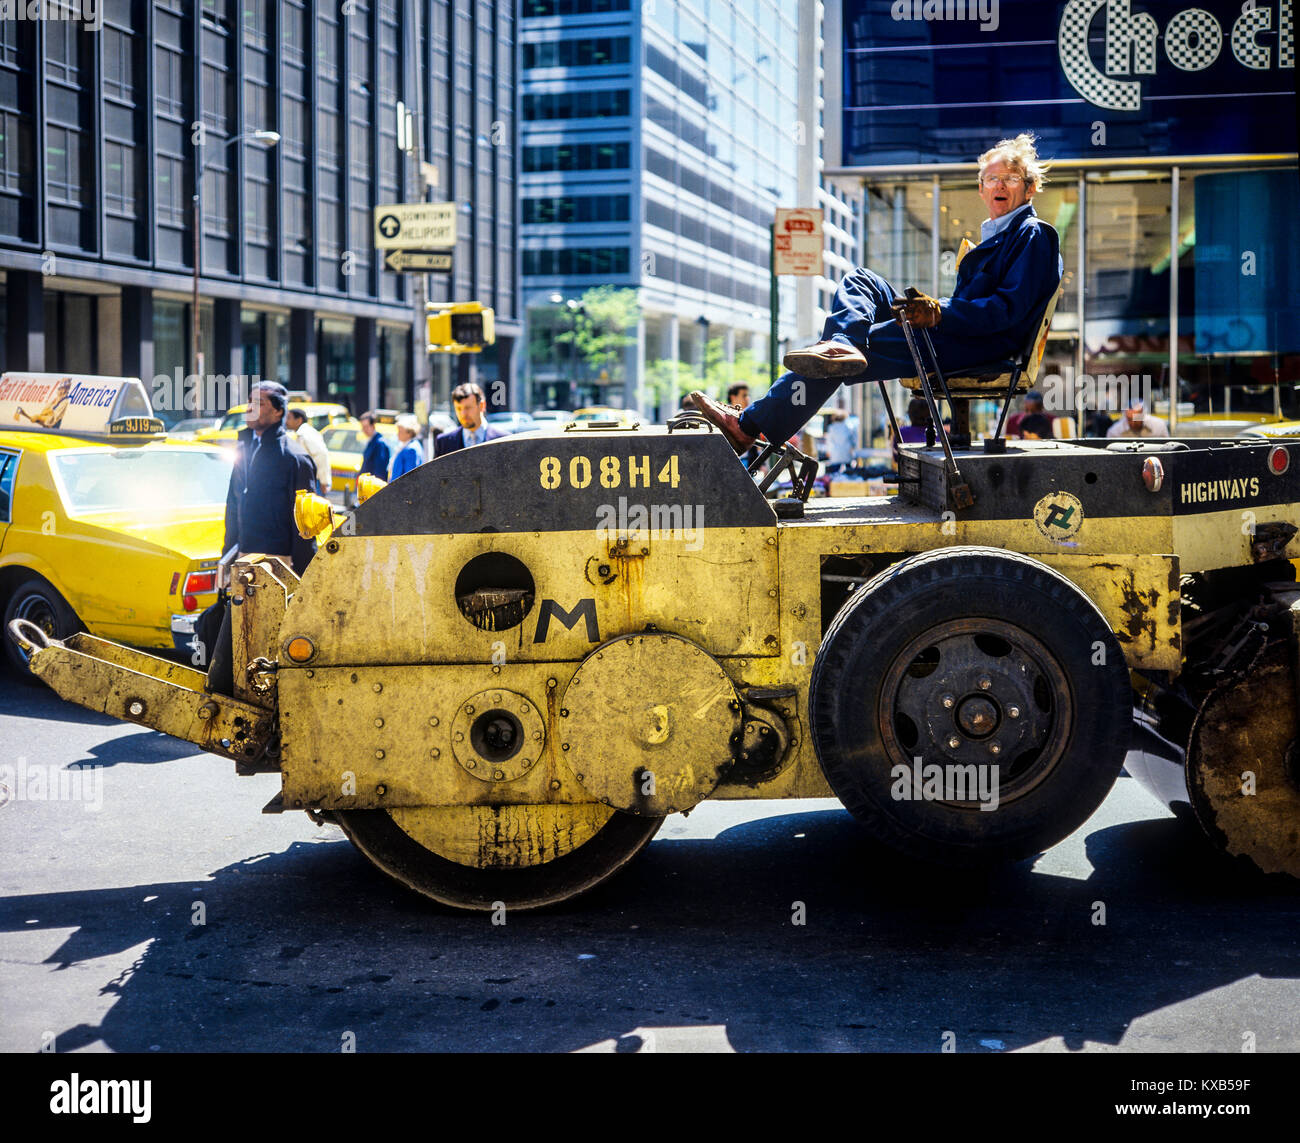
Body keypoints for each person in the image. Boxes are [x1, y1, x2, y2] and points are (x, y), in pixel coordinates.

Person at [687, 133, 1063, 454]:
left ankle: (750, 425)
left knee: (843, 358)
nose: (999, 185)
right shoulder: (1000, 235)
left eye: (1010, 178)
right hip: (961, 336)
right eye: (991, 178)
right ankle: (841, 343)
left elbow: (1005, 310)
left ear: (1029, 188)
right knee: (860, 280)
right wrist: (937, 311)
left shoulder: (1032, 234)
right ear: (980, 188)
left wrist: (939, 313)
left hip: (984, 346)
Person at [203, 382, 318, 695]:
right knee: (243, 632)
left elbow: (305, 523)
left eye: (259, 403)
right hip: (244, 559)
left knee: (273, 637)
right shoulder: (244, 448)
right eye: (249, 401)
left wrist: (304, 576)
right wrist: (227, 555)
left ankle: (276, 696)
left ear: (278, 411)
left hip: (278, 563)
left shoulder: (294, 457)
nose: (250, 408)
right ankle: (236, 691)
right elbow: (233, 507)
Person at [433, 382, 507, 457]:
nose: (463, 414)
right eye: (458, 408)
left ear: (482, 406)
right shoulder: (443, 443)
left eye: (468, 407)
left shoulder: (504, 440)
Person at [285, 406, 330, 493]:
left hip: (315, 480)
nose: (286, 421)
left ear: (299, 420)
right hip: (308, 479)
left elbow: (321, 454)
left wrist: (324, 482)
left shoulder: (307, 434)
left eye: (289, 418)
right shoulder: (301, 434)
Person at [389, 412, 424, 479]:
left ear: (409, 433)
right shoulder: (410, 445)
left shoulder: (411, 449)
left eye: (400, 431)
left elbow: (410, 477)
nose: (397, 434)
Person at [358, 411, 391, 478]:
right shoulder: (372, 440)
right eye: (363, 427)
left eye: (366, 426)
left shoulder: (380, 443)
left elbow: (379, 471)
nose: (364, 429)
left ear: (373, 425)